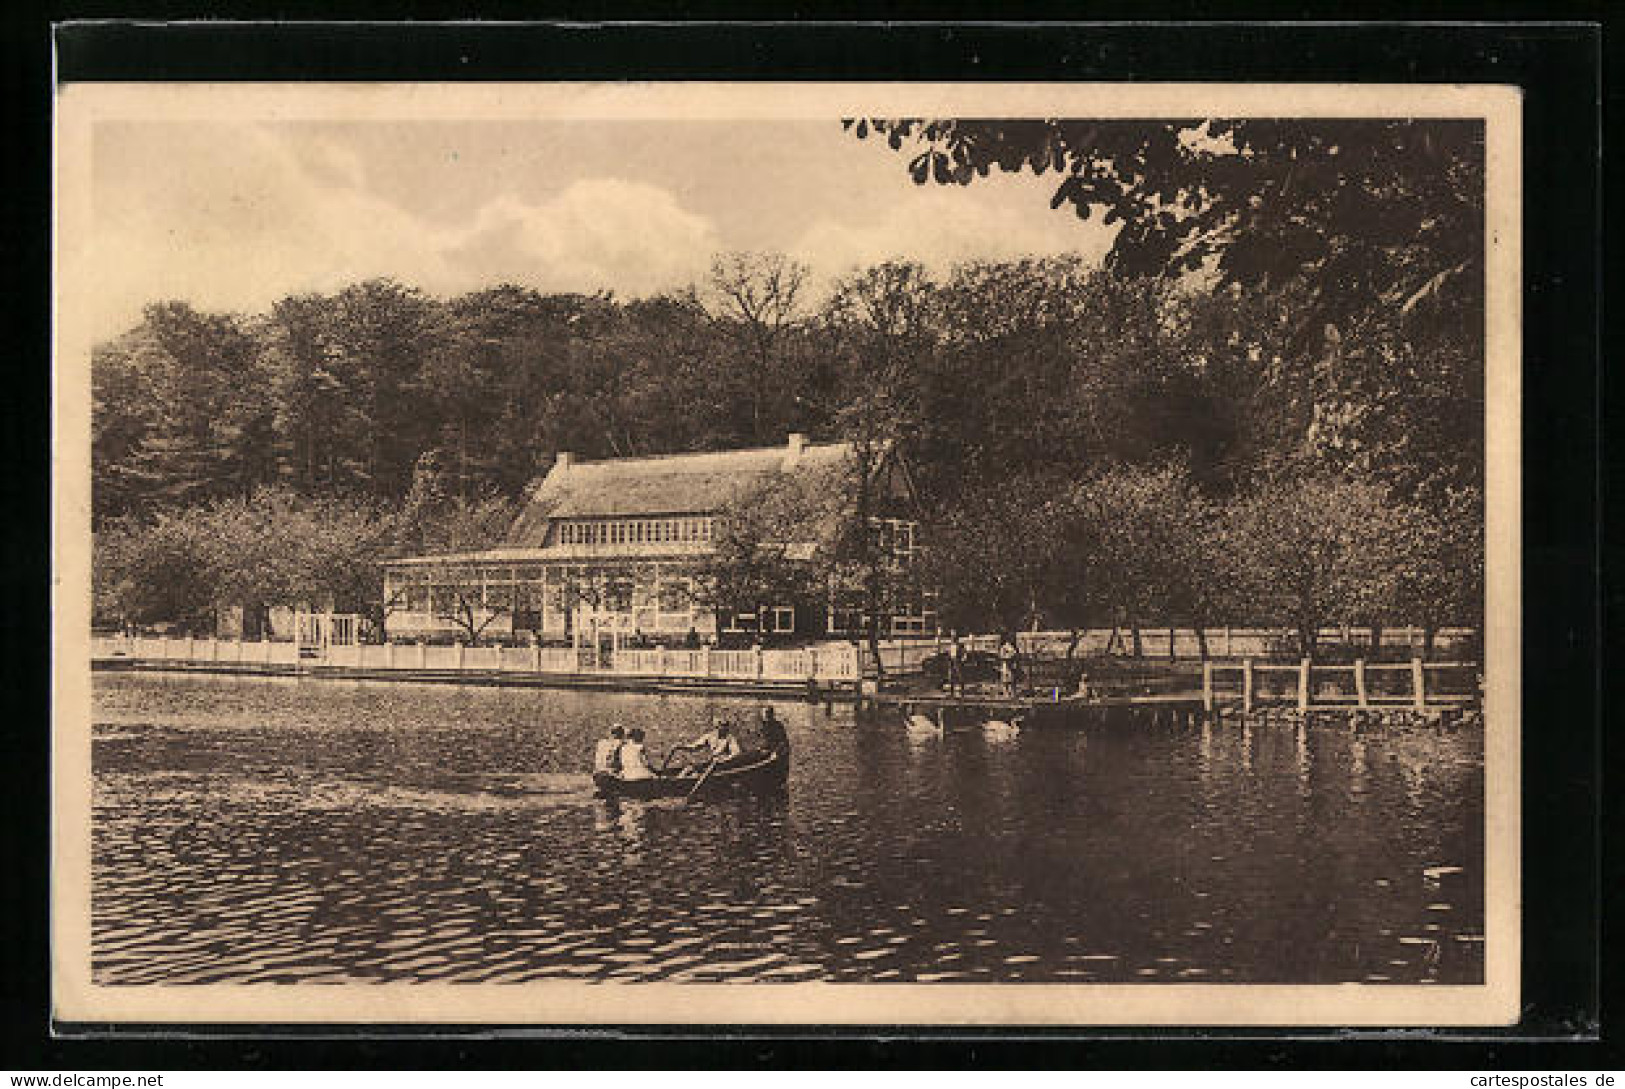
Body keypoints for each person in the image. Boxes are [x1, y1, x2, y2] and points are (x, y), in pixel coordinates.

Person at [675, 719, 743, 769]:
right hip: (711, 763)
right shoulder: (710, 736)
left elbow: (736, 752)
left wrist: (725, 759)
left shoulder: (730, 738)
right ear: (717, 727)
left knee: (700, 772)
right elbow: (694, 747)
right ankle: (676, 781)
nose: (723, 728)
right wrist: (681, 747)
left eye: (725, 726)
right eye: (721, 726)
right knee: (689, 768)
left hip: (723, 765)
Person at [946, 631, 966, 696]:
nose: (952, 638)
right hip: (951, 660)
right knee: (951, 676)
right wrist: (949, 658)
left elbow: (964, 653)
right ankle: (952, 692)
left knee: (959, 675)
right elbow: (949, 653)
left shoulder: (960, 645)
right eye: (952, 637)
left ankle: (962, 690)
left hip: (957, 660)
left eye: (954, 637)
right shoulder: (951, 645)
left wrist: (963, 658)